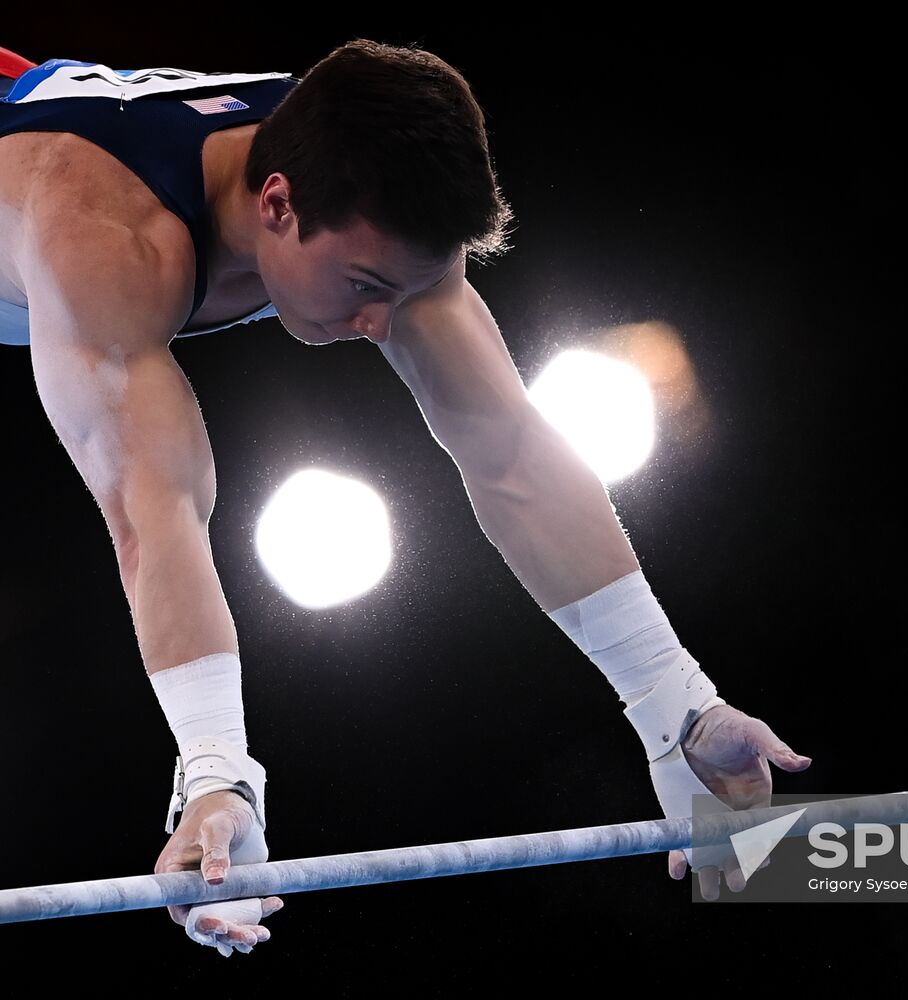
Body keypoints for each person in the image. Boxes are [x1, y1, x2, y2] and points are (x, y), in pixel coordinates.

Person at [0, 39, 812, 954]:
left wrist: (680, 709)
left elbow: (512, 456)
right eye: (365, 288)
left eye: (406, 289)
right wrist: (216, 772)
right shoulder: (102, 236)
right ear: (277, 203)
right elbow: (155, 511)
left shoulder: (382, 197)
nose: (380, 323)